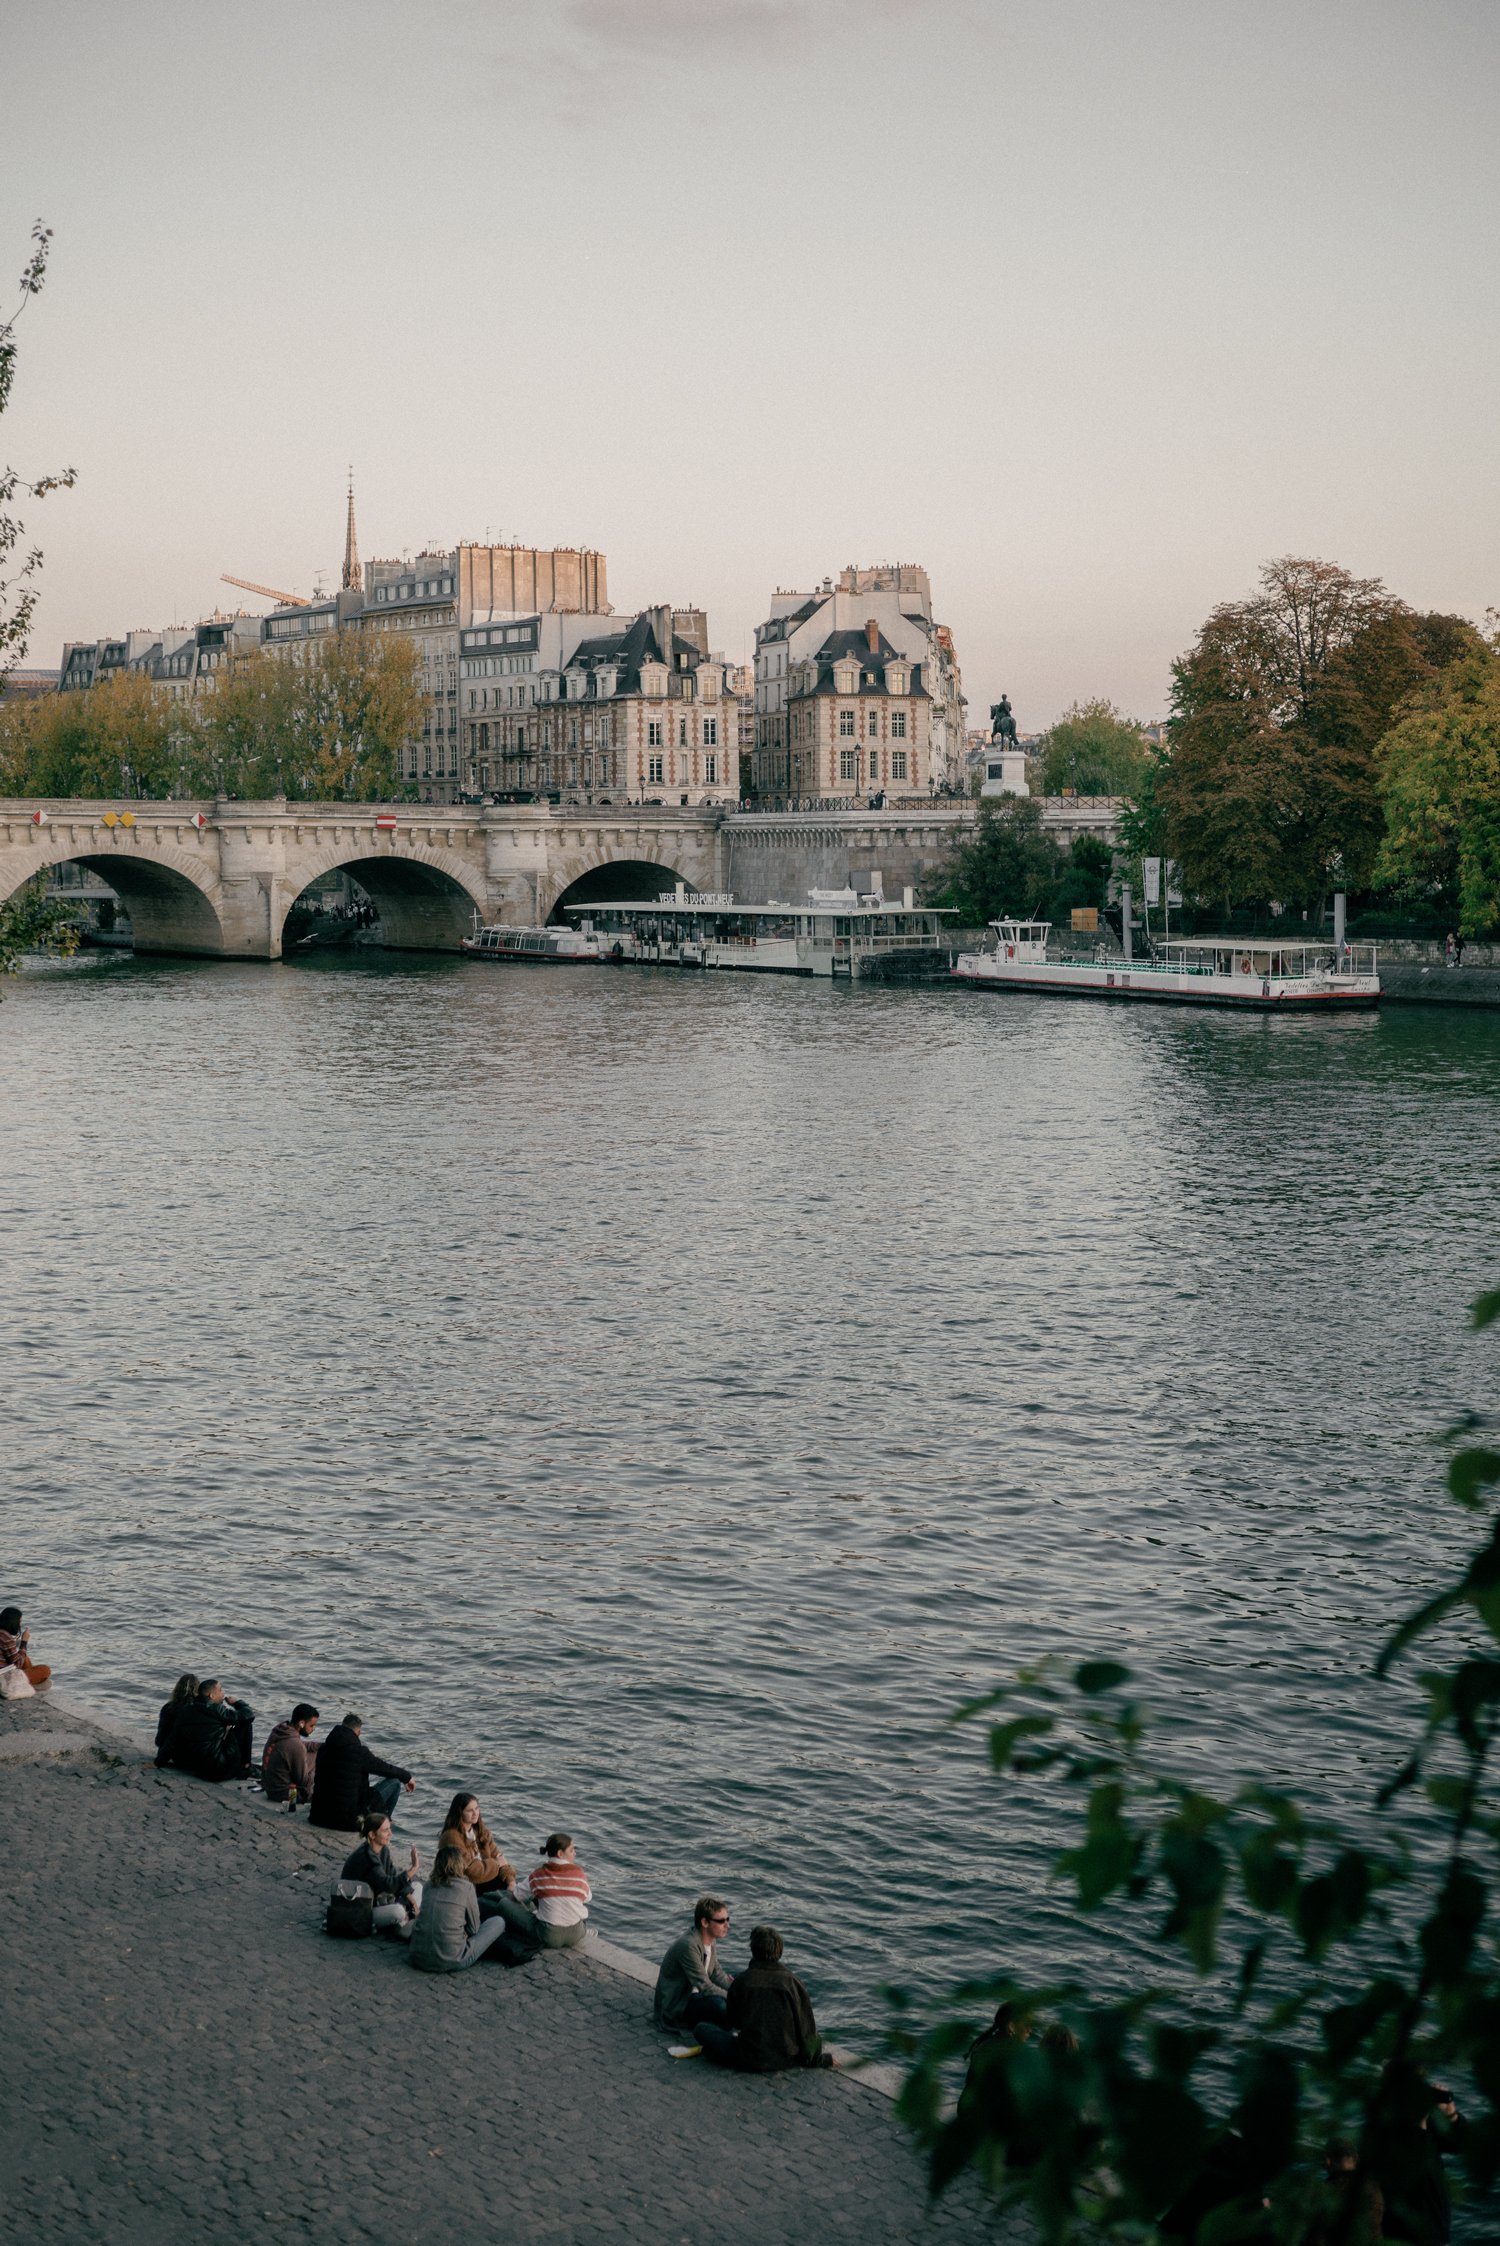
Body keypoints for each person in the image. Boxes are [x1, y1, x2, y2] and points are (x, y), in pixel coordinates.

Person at [695, 1925, 830, 2071]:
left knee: (701, 2029)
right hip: (786, 2059)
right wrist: (822, 2060)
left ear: (753, 1950)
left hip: (749, 2058)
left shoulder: (742, 1981)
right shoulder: (793, 1983)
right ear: (780, 1950)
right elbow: (807, 2031)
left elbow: (734, 2021)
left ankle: (715, 2055)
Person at [438, 1793, 540, 1951]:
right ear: (459, 1812)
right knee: (508, 1902)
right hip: (471, 1887)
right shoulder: (452, 1837)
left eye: (477, 1808)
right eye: (470, 1810)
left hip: (489, 1879)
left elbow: (500, 1857)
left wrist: (510, 1880)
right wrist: (495, 1864)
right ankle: (529, 1928)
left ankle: (538, 1921)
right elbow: (472, 1872)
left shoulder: (480, 1831)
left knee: (527, 1892)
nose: (475, 1813)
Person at [408, 1843, 511, 1974]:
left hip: (418, 1957)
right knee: (498, 1921)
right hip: (452, 1959)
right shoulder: (466, 1887)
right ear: (459, 1864)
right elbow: (474, 1929)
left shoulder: (428, 1886)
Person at [308, 1713, 414, 1832]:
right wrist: (407, 1777)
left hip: (319, 1817)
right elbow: (384, 1768)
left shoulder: (323, 1749)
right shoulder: (359, 1752)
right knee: (394, 1783)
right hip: (347, 1822)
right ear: (358, 1732)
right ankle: (384, 1827)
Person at [654, 1896, 735, 2038]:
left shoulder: (710, 1940)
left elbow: (716, 1973)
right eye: (721, 1921)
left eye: (727, 1919)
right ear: (705, 1922)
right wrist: (735, 1998)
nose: (727, 1925)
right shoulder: (688, 1945)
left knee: (739, 1985)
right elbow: (705, 1986)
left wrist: (738, 1989)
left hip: (695, 1996)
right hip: (679, 2004)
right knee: (720, 2005)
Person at [342, 1810, 422, 1934]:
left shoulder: (383, 1850)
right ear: (372, 1835)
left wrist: (413, 1902)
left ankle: (403, 1919)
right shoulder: (366, 1856)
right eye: (385, 1830)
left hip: (378, 1900)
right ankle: (402, 1922)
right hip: (362, 1909)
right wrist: (413, 1868)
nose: (390, 1834)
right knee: (398, 1912)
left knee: (417, 1886)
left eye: (390, 1828)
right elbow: (389, 1885)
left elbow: (393, 1875)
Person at [167, 1678, 255, 1781]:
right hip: (221, 1771)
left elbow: (172, 1739)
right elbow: (249, 1715)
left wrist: (158, 1762)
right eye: (220, 1690)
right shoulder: (216, 1709)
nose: (223, 1693)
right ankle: (246, 1766)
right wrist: (237, 1703)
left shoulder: (187, 1709)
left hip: (198, 1768)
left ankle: (244, 1765)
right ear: (211, 1696)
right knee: (245, 1723)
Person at [523, 1833, 593, 1951]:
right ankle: (586, 1932)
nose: (575, 1853)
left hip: (549, 1936)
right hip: (576, 1934)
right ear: (560, 1854)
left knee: (505, 1904)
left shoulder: (537, 1875)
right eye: (572, 1850)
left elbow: (517, 1895)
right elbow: (587, 1898)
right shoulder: (579, 1874)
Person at [261, 1704, 320, 1804]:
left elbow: (300, 1745)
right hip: (287, 1795)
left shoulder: (280, 1731)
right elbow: (303, 1781)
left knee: (314, 1753)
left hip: (269, 1789)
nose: (313, 1729)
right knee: (318, 1758)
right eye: (311, 1725)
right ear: (301, 1723)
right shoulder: (295, 1745)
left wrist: (321, 1745)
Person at [0, 1607, 51, 1690]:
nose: (20, 1624)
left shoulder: (2, 1634)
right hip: (4, 1678)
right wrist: (24, 1642)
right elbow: (17, 1664)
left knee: (25, 1658)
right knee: (45, 1670)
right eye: (19, 1621)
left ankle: (31, 1680)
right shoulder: (5, 1636)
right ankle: (28, 1683)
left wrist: (15, 1643)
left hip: (4, 1669)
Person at [154, 1673, 198, 1766]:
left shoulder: (168, 1708)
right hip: (194, 1756)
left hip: (175, 1756)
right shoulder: (200, 1709)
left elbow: (159, 1739)